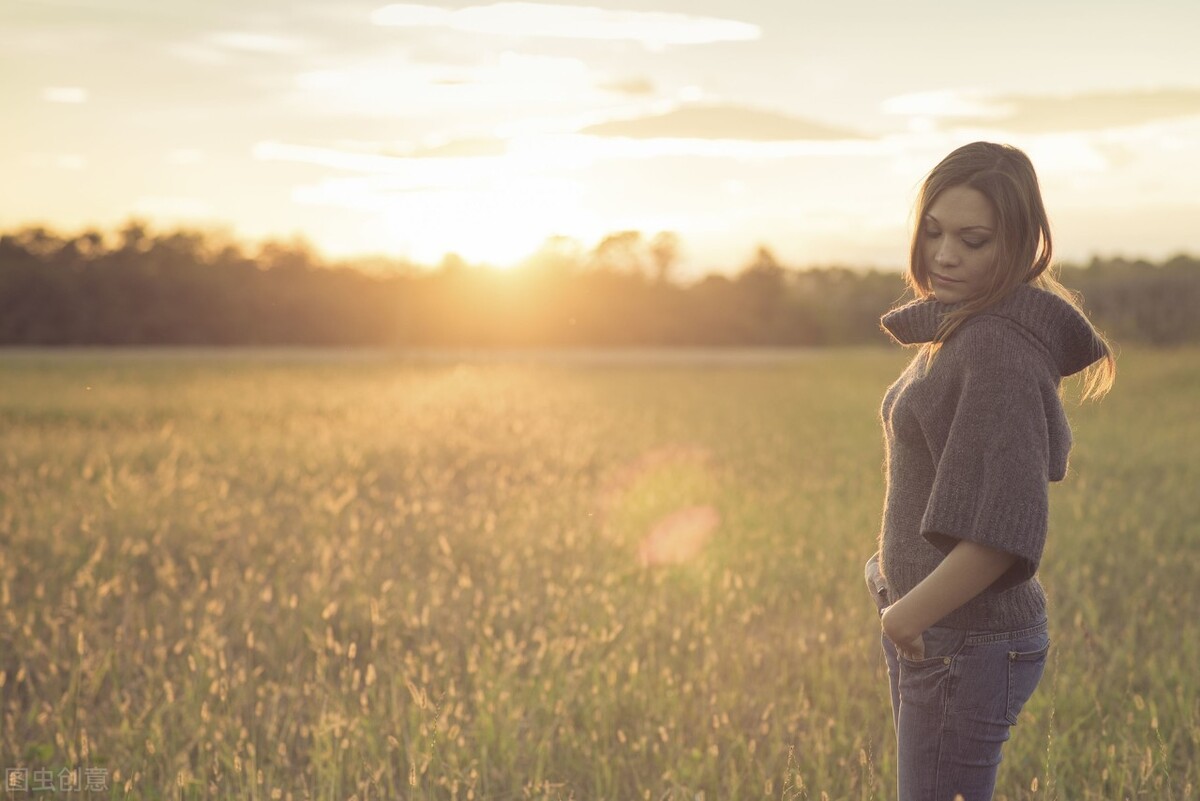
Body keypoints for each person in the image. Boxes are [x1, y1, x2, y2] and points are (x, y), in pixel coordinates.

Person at [865, 141, 1115, 801]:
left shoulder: (996, 349)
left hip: (962, 640)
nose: (945, 254)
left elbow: (1002, 533)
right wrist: (890, 569)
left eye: (974, 240)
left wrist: (905, 615)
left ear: (1021, 244)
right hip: (944, 631)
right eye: (934, 230)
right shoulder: (964, 329)